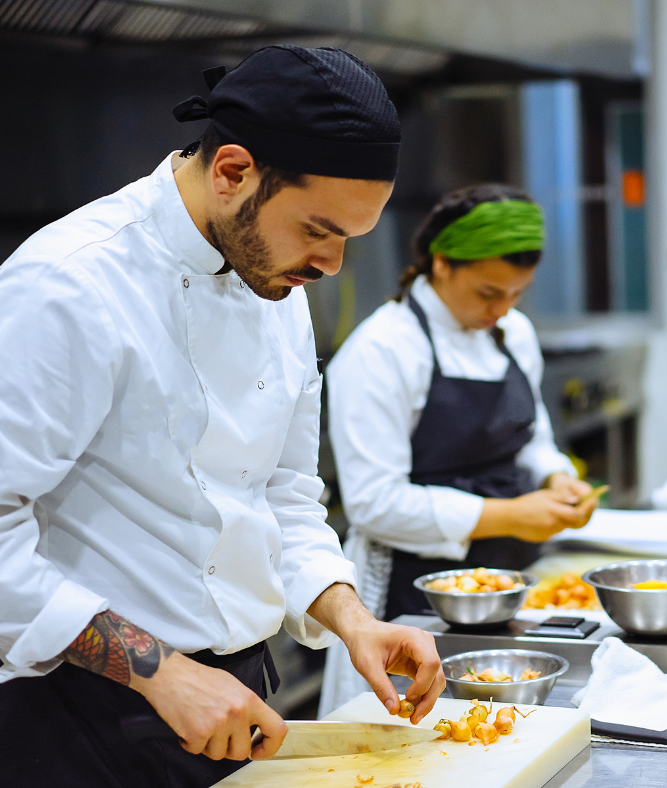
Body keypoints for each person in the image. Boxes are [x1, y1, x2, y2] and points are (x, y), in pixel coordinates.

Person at [0, 46, 444, 788]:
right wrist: (163, 673)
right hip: (79, 714)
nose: (332, 264)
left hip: (238, 699)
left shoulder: (273, 277)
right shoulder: (69, 286)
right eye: (318, 229)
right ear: (233, 172)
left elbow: (282, 494)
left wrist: (351, 618)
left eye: (348, 238)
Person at [319, 184, 597, 714]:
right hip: (410, 596)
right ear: (442, 263)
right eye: (489, 292)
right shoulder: (383, 349)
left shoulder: (513, 333)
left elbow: (532, 437)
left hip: (507, 579)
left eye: (517, 294)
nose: (503, 309)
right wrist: (510, 515)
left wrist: (556, 477)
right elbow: (375, 504)